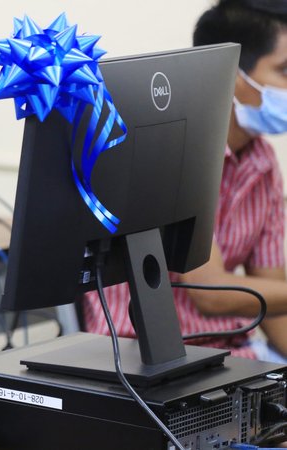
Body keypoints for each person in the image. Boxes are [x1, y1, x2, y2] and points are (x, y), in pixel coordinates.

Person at [83, 0, 287, 362]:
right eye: (285, 71)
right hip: (148, 364)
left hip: (233, 357)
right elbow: (211, 294)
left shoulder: (262, 161)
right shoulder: (171, 153)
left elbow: (272, 298)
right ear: (234, 75)